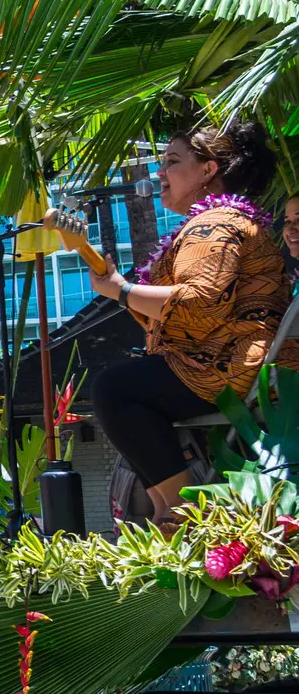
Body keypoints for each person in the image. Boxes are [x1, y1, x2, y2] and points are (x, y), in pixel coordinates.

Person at [49, 123, 297, 522]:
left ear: (207, 170)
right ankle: (169, 506)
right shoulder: (220, 220)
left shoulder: (215, 224)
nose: (159, 173)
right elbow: (172, 316)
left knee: (116, 388)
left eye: (172, 161)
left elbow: (196, 304)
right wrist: (116, 286)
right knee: (126, 385)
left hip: (231, 363)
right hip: (233, 359)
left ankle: (182, 507)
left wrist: (122, 290)